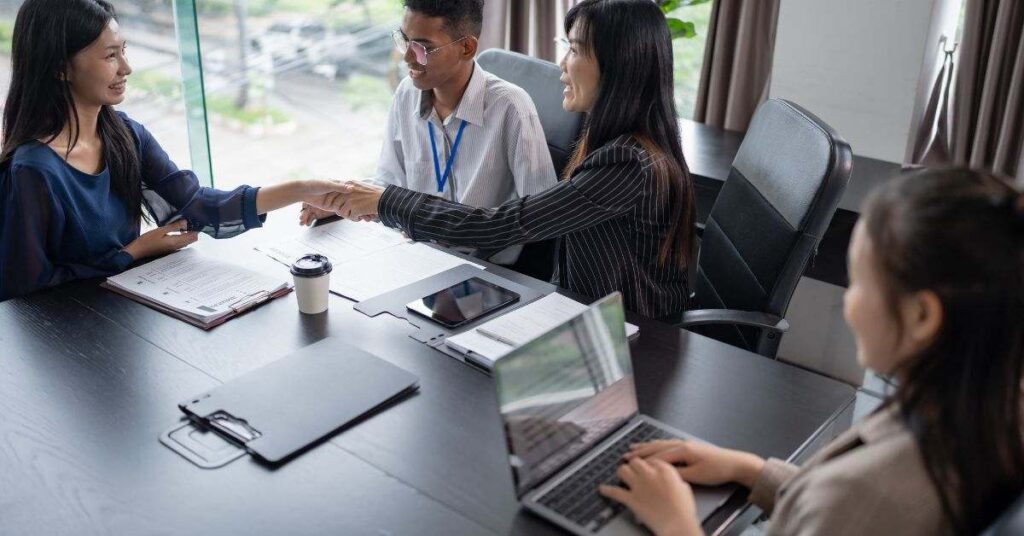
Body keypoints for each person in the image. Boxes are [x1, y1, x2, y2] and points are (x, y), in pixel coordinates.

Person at [598, 168, 1024, 535]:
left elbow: (852, 505)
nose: (848, 307)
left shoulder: (867, 492)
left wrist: (676, 523)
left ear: (922, 316)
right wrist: (751, 470)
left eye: (859, 284)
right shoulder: (986, 411)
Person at [319, 0, 696, 320]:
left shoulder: (627, 165)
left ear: (621, 65)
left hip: (630, 338)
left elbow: (501, 225)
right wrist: (356, 200)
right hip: (580, 308)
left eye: (576, 50)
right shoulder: (613, 143)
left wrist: (385, 201)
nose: (562, 64)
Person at [0, 0, 342, 301]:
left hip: (128, 310)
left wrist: (304, 188)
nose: (126, 68)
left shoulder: (126, 134)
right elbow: (27, 287)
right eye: (110, 55)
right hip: (68, 338)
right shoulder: (33, 170)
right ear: (61, 67)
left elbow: (202, 206)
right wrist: (132, 252)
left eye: (124, 50)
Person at [300, 0, 557, 266]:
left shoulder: (510, 107)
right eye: (404, 41)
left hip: (484, 267)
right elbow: (390, 183)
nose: (408, 57)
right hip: (416, 255)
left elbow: (541, 217)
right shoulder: (406, 94)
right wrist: (340, 203)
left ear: (466, 48)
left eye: (423, 47)